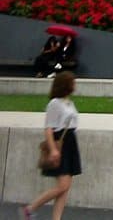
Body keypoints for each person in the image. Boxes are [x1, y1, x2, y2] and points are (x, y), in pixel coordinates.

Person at [23, 71, 81, 220]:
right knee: (62, 186)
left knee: (65, 187)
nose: (75, 85)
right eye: (72, 82)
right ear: (65, 85)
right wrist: (54, 149)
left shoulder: (69, 102)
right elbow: (49, 128)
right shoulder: (55, 103)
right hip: (60, 142)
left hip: (70, 142)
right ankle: (30, 209)